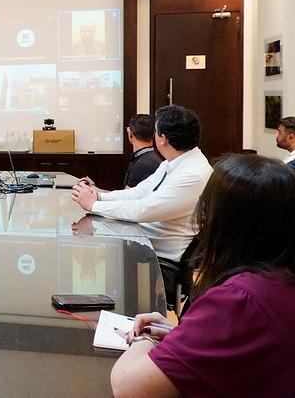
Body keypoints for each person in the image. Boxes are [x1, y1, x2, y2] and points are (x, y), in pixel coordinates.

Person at [111, 155, 295, 397]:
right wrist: (183, 337)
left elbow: (128, 387)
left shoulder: (238, 300)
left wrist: (147, 338)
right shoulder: (279, 279)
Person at [71, 105, 212, 262]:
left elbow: (143, 210)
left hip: (159, 255)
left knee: (87, 243)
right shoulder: (172, 162)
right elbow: (138, 193)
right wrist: (98, 197)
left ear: (163, 138)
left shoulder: (193, 174)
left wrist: (93, 206)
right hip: (143, 239)